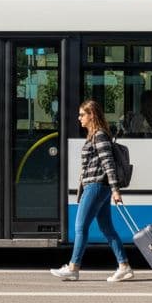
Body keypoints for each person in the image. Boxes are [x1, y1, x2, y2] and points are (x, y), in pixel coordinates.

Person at [50, 100, 133, 282]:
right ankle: (124, 266)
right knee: (106, 227)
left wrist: (115, 190)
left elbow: (108, 164)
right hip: (97, 186)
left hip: (96, 186)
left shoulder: (99, 136)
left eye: (82, 115)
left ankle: (73, 267)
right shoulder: (95, 135)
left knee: (81, 226)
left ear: (91, 115)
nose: (79, 118)